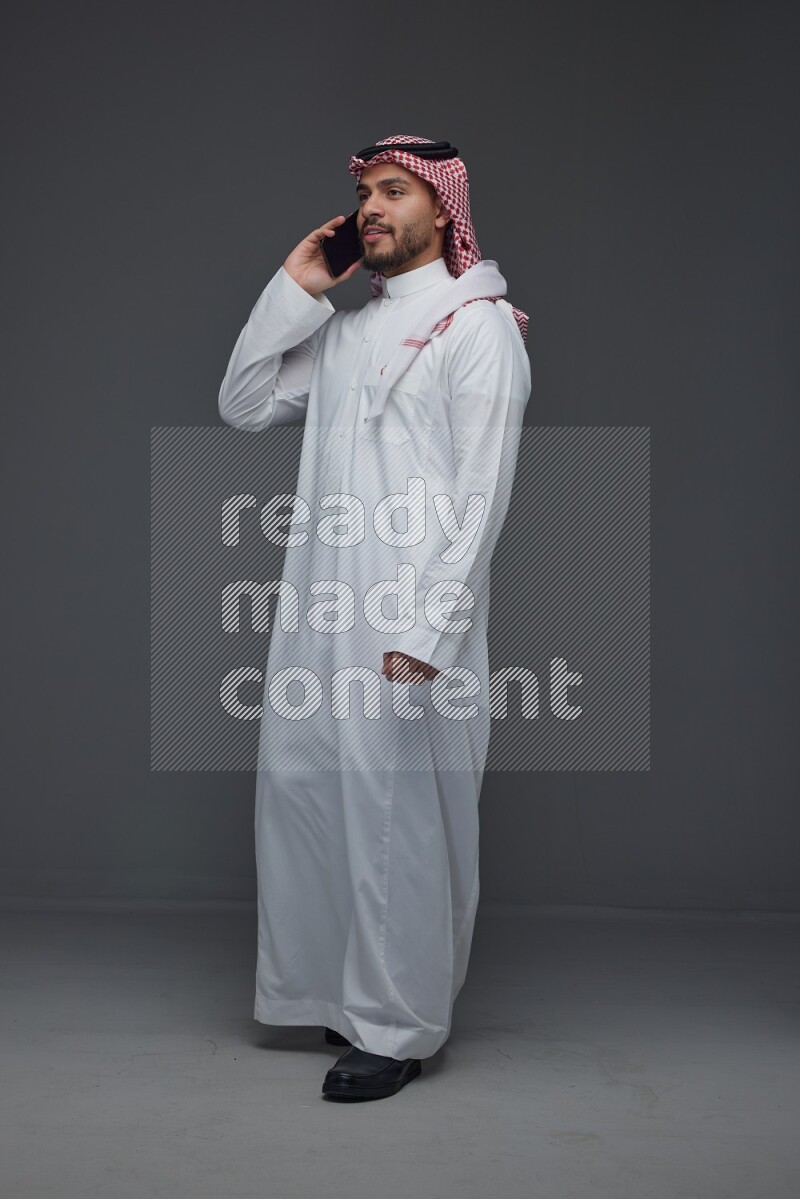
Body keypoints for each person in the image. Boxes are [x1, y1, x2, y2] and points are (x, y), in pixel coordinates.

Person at [218, 135, 531, 1101]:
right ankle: (340, 995)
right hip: (321, 611)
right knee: (311, 801)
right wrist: (296, 284)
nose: (371, 210)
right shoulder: (349, 332)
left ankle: (397, 1026)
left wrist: (428, 636)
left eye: (394, 192)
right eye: (362, 195)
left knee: (397, 820)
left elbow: (481, 496)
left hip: (407, 626)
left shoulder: (479, 328)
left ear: (444, 209)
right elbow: (243, 402)